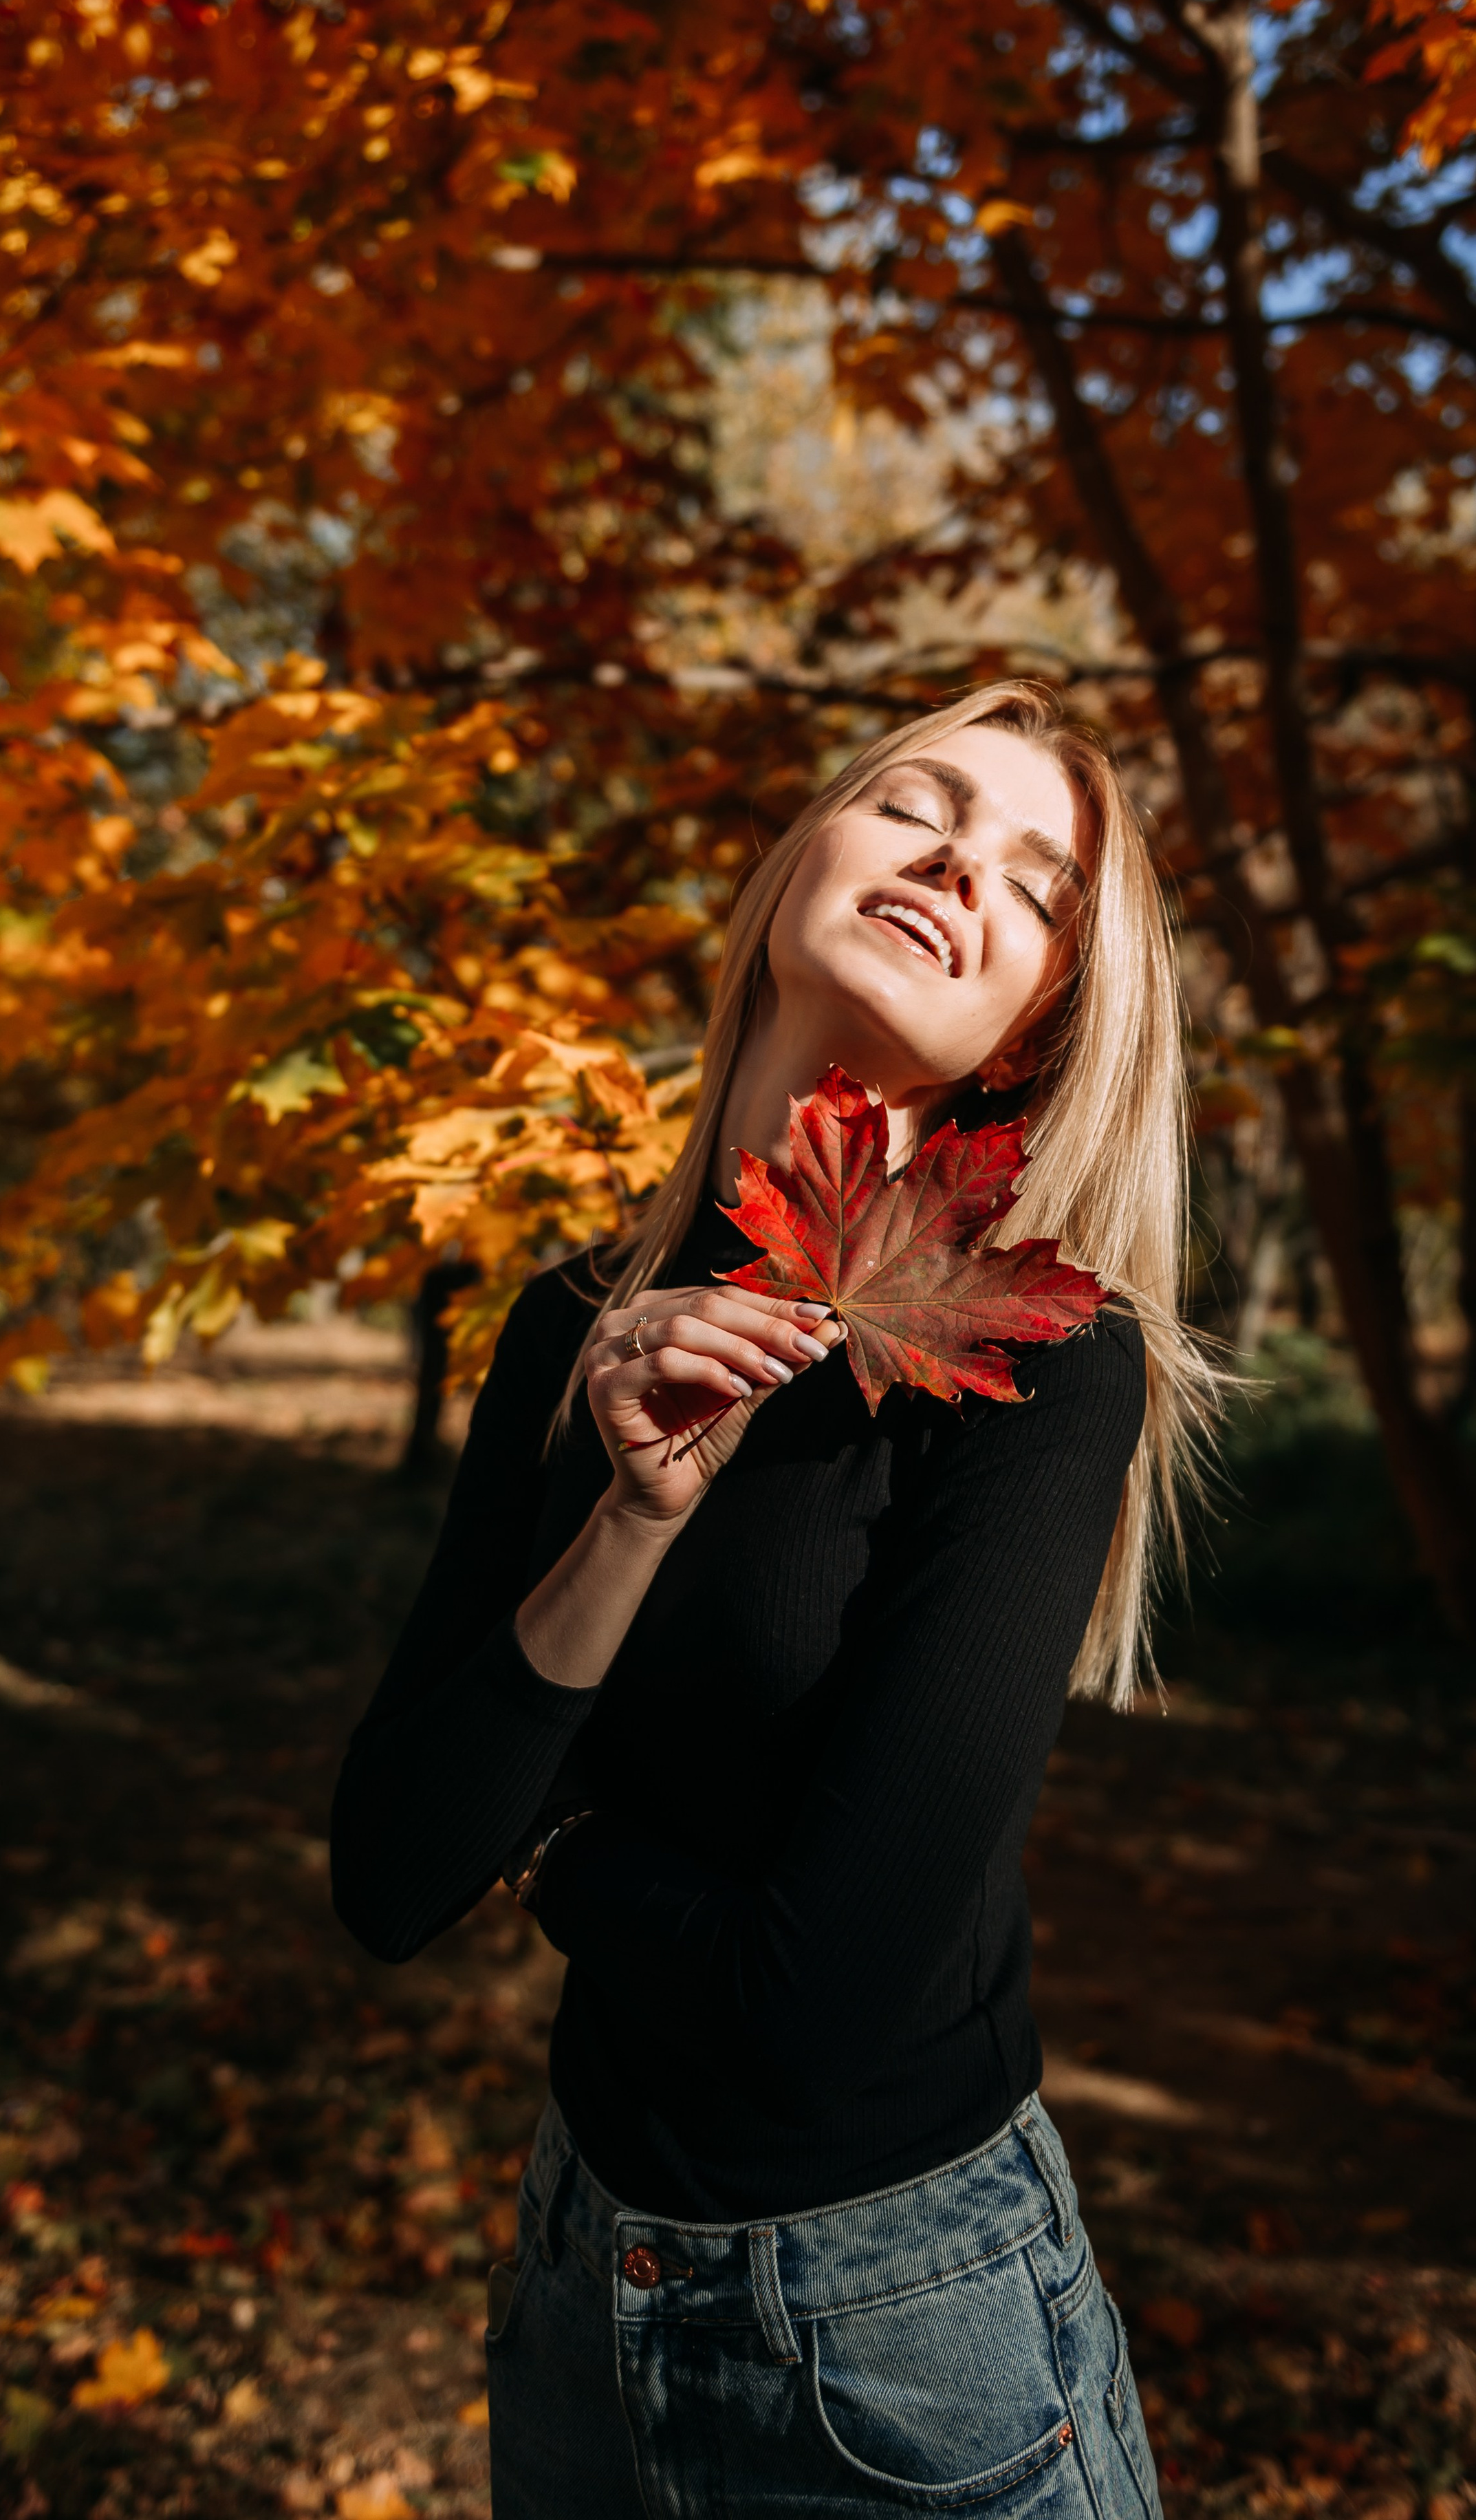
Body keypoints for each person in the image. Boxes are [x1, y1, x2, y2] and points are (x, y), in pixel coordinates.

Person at [330, 680, 1214, 2517]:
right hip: (582, 2274)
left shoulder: (1042, 1364)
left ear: (1038, 1030)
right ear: (808, 854)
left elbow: (818, 2002)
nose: (963, 859)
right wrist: (635, 1520)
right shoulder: (574, 1327)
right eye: (920, 804)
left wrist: (551, 1847)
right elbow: (392, 1869)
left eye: (1040, 881)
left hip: (901, 2329)